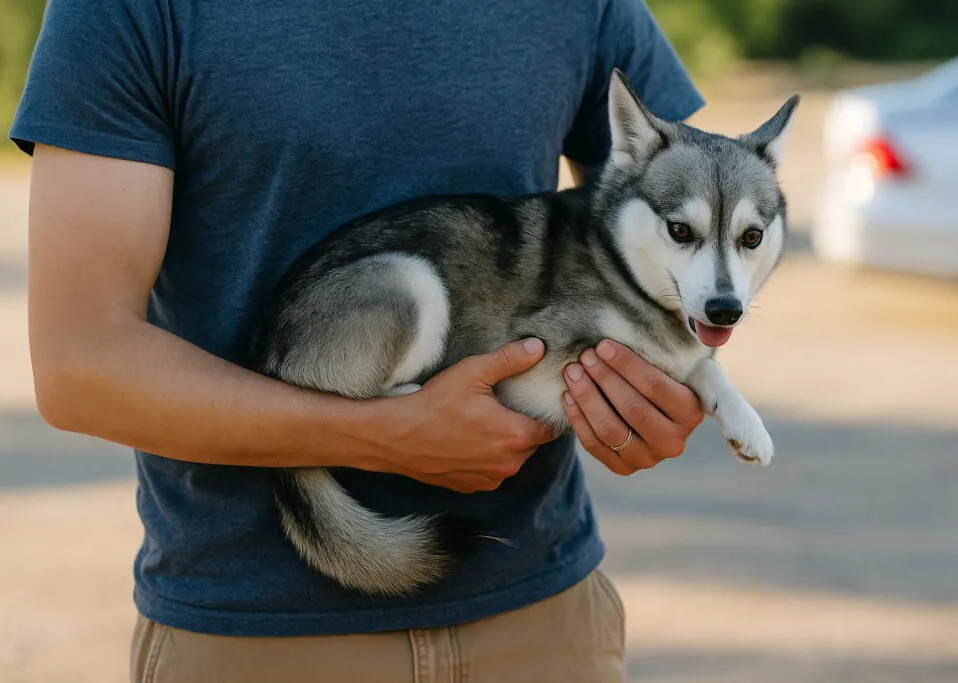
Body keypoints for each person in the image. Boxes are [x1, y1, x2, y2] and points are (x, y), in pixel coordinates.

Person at [11, 0, 706, 680]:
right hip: (257, 639)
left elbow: (687, 227)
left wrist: (641, 398)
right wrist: (378, 435)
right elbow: (81, 365)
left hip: (546, 626)